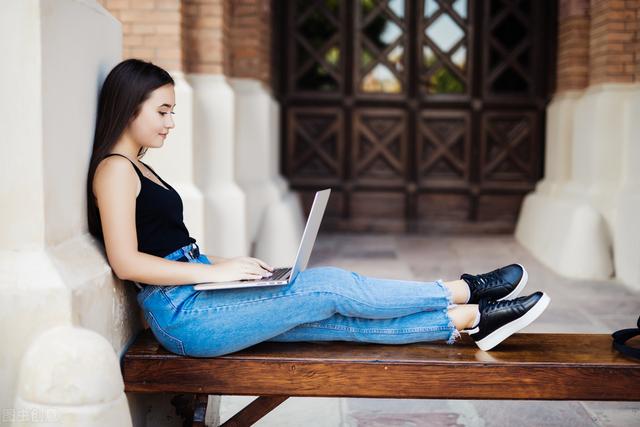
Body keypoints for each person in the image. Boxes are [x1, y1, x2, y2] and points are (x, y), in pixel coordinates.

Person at [87, 59, 550, 357]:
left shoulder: (140, 168)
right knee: (329, 287)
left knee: (333, 317)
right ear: (131, 108)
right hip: (183, 319)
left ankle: (471, 321)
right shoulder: (115, 170)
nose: (171, 122)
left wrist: (230, 265)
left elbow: (169, 247)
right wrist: (215, 274)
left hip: (197, 296)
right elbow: (127, 262)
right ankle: (463, 289)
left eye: (172, 111)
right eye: (162, 110)